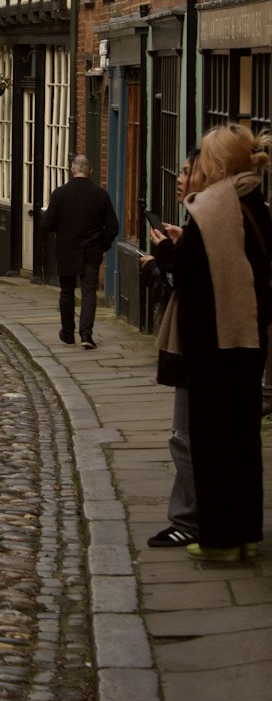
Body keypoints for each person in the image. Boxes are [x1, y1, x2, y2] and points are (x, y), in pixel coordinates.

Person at [149, 123, 272, 561]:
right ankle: (246, 533)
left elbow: (188, 279)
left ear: (216, 164)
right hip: (251, 337)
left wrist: (166, 251)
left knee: (212, 441)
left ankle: (220, 540)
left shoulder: (211, 206)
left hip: (214, 341)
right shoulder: (254, 201)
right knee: (244, 440)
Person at [141, 149, 200, 549]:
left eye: (185, 171)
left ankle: (191, 519)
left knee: (186, 436)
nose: (178, 178)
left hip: (198, 345)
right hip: (204, 345)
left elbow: (190, 282)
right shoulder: (203, 221)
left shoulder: (211, 221)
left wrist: (161, 256)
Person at [42, 154, 119, 350]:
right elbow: (113, 226)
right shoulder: (100, 194)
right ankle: (86, 334)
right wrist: (102, 245)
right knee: (89, 292)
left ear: (72, 170)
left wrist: (62, 230)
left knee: (67, 292)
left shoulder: (60, 194)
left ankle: (68, 334)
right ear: (90, 171)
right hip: (91, 251)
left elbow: (47, 223)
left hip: (67, 249)